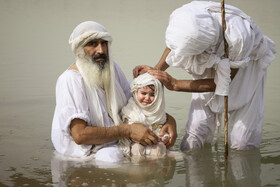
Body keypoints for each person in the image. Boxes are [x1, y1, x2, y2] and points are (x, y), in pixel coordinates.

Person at [133, 1, 276, 151]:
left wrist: (175, 84)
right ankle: (194, 166)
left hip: (245, 67)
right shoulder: (182, 17)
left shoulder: (238, 38)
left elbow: (222, 82)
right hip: (209, 64)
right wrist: (156, 71)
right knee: (196, 130)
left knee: (242, 142)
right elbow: (174, 44)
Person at [51, 21, 177, 162]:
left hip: (118, 141)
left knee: (162, 150)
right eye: (93, 44)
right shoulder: (70, 80)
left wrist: (169, 121)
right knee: (112, 160)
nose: (101, 50)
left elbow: (135, 104)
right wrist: (129, 130)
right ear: (79, 50)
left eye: (104, 43)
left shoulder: (112, 68)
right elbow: (80, 135)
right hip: (87, 153)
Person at [119, 73, 170, 157]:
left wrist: (163, 136)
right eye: (143, 93)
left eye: (152, 95)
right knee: (137, 149)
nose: (147, 98)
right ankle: (139, 168)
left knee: (159, 148)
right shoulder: (130, 109)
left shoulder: (158, 111)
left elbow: (159, 126)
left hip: (155, 141)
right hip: (136, 142)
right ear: (136, 92)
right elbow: (126, 126)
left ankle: (156, 167)